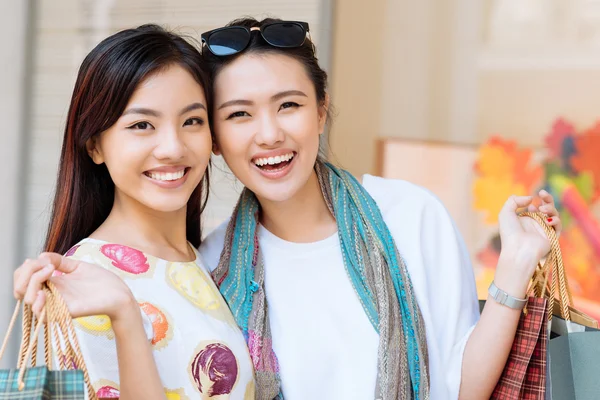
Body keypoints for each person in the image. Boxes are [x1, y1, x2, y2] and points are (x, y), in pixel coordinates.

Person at [198, 17, 563, 399]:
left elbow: (463, 388)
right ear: (214, 138)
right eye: (239, 114)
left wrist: (516, 263)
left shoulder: (411, 214)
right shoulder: (211, 269)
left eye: (288, 104)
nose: (270, 134)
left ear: (321, 112)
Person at [12, 24, 254, 400]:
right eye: (142, 125)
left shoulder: (208, 260)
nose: (172, 148)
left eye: (192, 121)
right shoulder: (87, 284)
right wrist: (125, 317)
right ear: (95, 146)